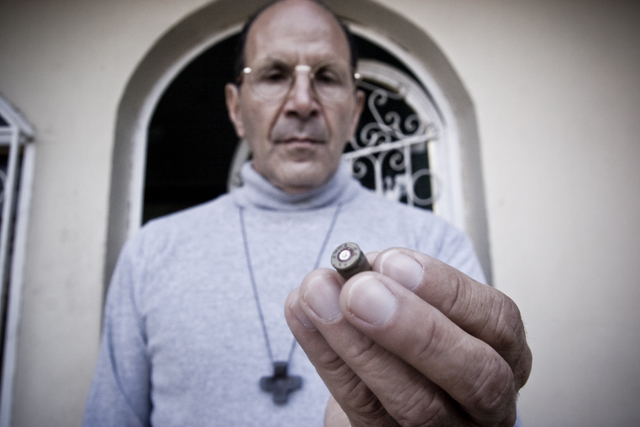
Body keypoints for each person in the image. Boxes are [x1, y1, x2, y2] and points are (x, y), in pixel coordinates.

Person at [83, 0, 532, 426]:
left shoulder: (433, 245)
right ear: (236, 109)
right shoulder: (150, 251)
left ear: (355, 111)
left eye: (327, 77)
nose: (302, 102)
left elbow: (484, 410)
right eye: (275, 74)